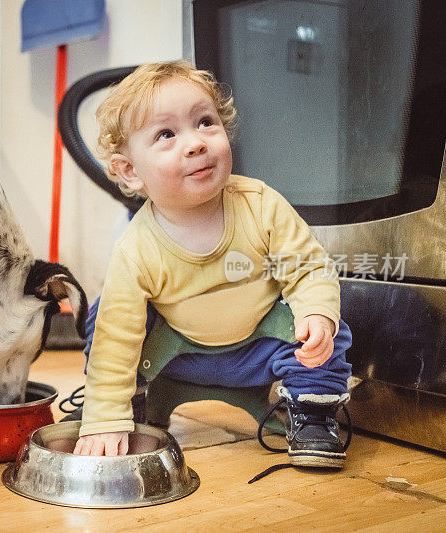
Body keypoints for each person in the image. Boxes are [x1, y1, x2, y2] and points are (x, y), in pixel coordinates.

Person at [73, 60, 353, 468]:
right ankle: (124, 407)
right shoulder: (135, 248)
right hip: (175, 354)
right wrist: (103, 416)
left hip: (260, 346)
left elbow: (308, 268)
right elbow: (118, 338)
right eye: (167, 134)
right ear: (130, 171)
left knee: (329, 327)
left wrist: (316, 314)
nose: (195, 143)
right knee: (106, 318)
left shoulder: (260, 204)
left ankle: (312, 412)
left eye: (205, 123)